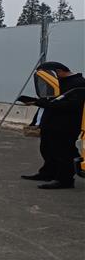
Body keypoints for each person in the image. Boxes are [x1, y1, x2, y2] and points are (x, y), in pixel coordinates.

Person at [20, 61, 85, 189]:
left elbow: (70, 106)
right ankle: (48, 173)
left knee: (64, 153)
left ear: (58, 71)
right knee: (47, 150)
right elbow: (50, 101)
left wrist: (38, 102)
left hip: (66, 126)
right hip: (51, 125)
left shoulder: (79, 84)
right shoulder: (58, 83)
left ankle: (64, 180)